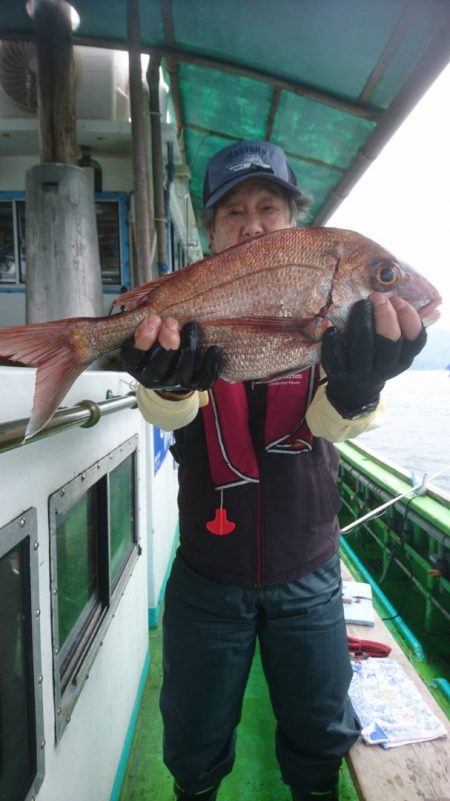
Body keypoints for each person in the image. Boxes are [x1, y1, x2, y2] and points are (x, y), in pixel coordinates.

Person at [121, 140, 428, 801]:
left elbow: (327, 425)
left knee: (319, 737)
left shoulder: (333, 313)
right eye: (233, 212)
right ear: (209, 232)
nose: (253, 224)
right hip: (208, 575)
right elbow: (171, 417)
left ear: (296, 222)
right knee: (193, 743)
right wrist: (167, 382)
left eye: (269, 206)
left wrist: (357, 386)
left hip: (309, 572)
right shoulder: (194, 308)